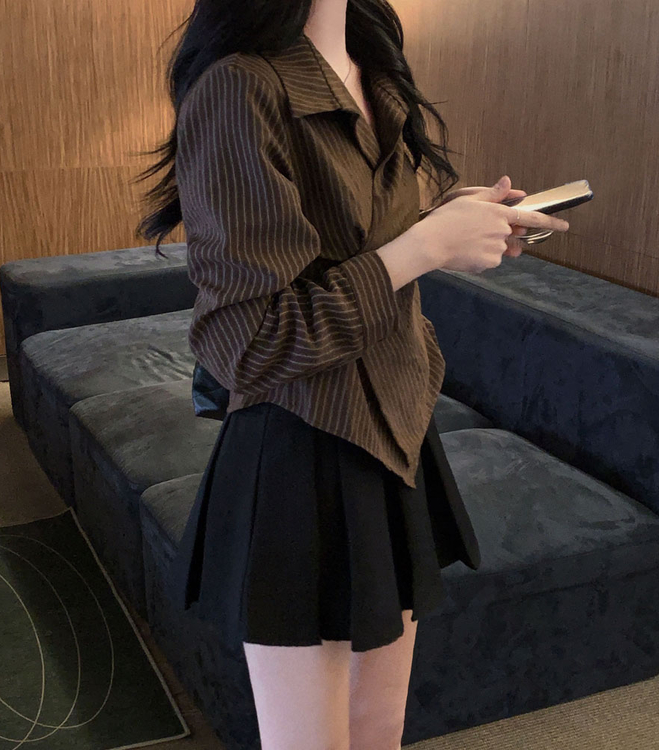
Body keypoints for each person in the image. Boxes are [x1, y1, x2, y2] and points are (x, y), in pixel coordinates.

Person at [134, 2, 570, 748]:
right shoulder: (240, 87)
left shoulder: (374, 67)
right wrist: (426, 246)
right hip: (304, 443)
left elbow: (356, 243)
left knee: (378, 729)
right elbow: (248, 344)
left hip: (397, 429)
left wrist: (448, 221)